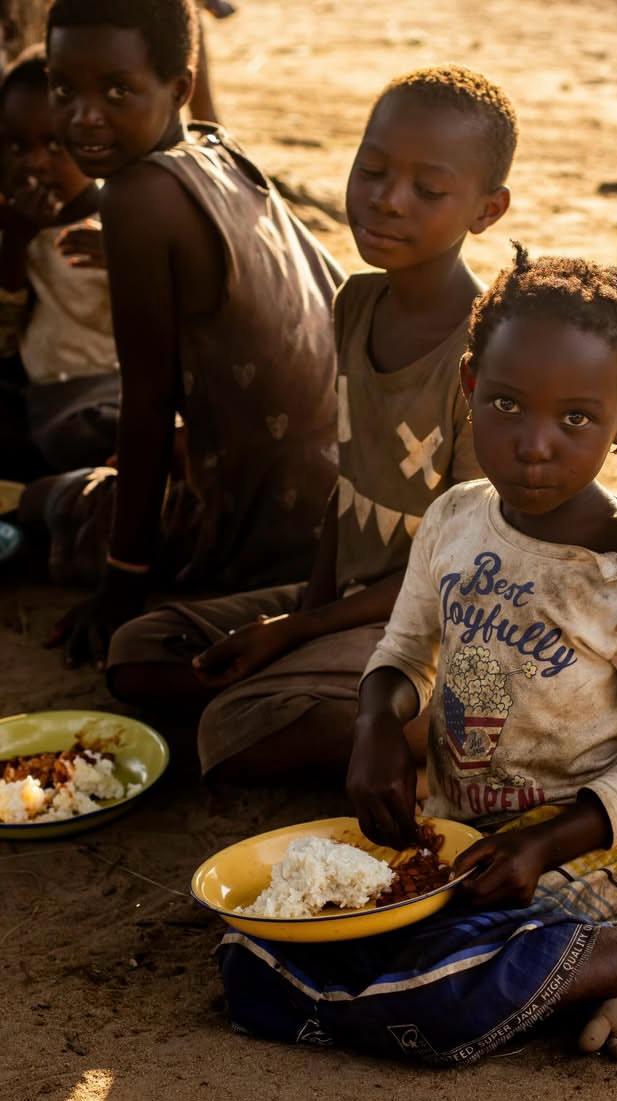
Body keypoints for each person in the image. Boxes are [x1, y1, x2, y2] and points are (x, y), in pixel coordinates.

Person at [217, 247, 617, 1068]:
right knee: (267, 949)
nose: (534, 444)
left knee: (442, 997)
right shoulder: (457, 517)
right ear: (470, 387)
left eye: (576, 418)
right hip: (455, 843)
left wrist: (546, 843)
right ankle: (597, 976)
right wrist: (375, 721)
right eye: (506, 404)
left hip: (581, 857)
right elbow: (405, 650)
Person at [106, 65, 515, 782]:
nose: (387, 201)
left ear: (487, 210)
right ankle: (328, 699)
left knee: (232, 724)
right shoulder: (356, 304)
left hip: (442, 629)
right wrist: (309, 606)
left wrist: (297, 632)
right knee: (139, 649)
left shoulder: (488, 357)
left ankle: (447, 729)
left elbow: (466, 567)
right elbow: (348, 481)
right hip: (346, 607)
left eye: (428, 190)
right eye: (372, 170)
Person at [23, 0, 341, 665]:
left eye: (116, 90)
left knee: (51, 499)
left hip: (250, 533)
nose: (83, 115)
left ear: (179, 88)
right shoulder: (219, 149)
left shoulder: (135, 198)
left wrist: (122, 582)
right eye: (62, 88)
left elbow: (145, 407)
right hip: (330, 502)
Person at [0, 46, 119, 480]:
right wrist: (15, 242)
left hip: (124, 390)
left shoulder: (122, 218)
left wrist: (128, 256)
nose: (33, 163)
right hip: (54, 401)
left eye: (55, 144)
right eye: (15, 146)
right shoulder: (13, 224)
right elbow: (7, 340)